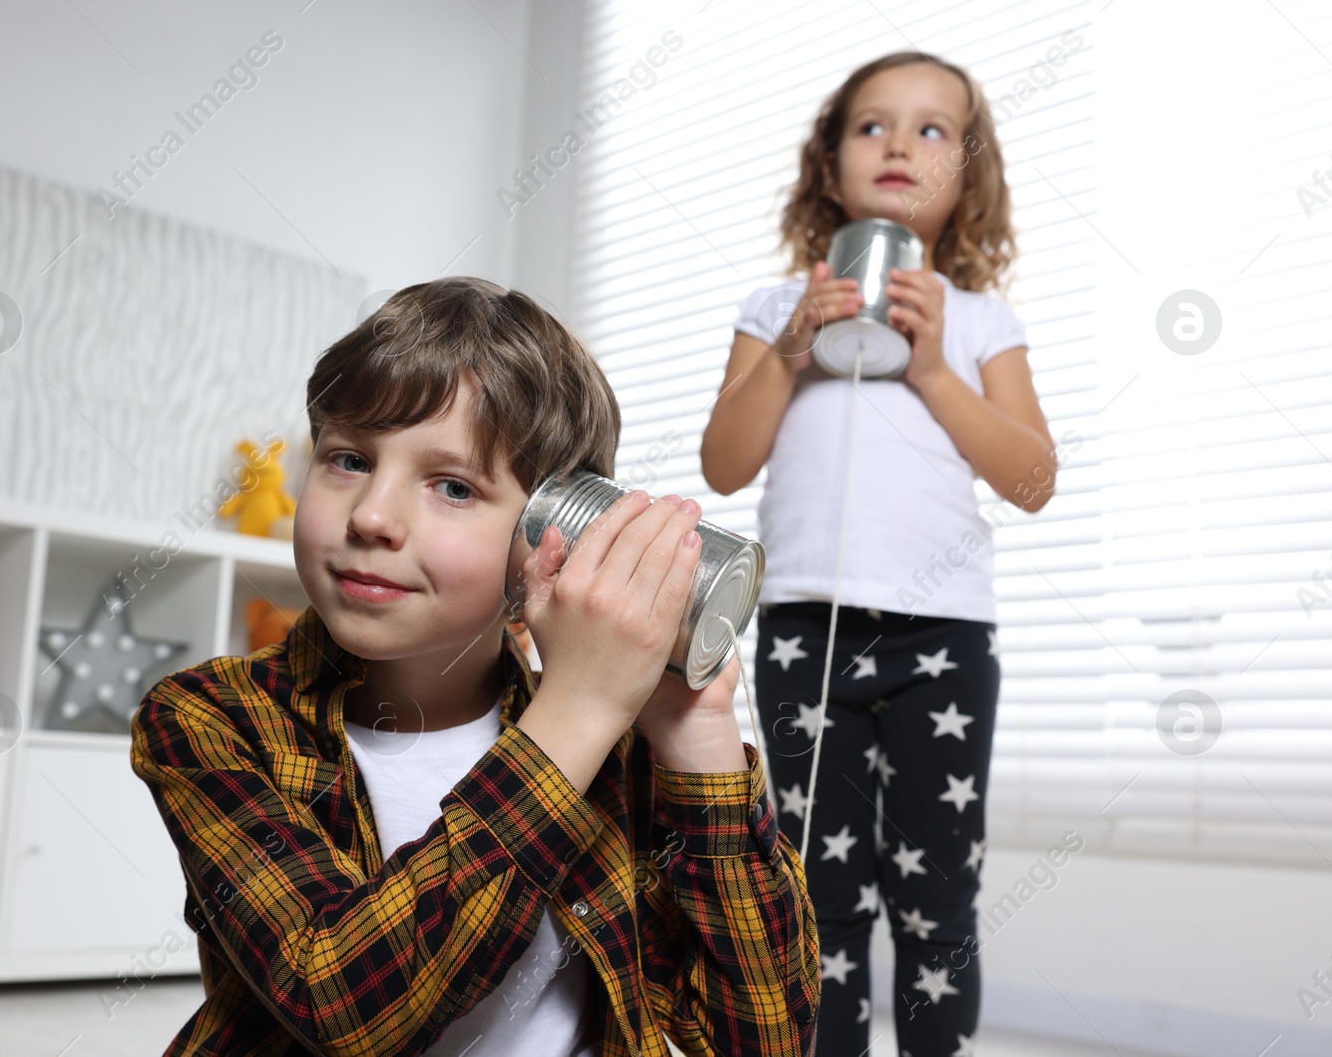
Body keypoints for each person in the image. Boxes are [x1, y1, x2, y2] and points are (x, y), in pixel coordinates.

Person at [131, 277, 820, 1057]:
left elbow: (763, 1041)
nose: (371, 516)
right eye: (350, 459)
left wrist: (698, 744)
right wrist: (581, 710)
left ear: (551, 540)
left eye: (453, 485)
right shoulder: (211, 719)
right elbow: (342, 1004)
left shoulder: (619, 756)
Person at [699, 52, 1057, 1055]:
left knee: (935, 887)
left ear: (966, 179)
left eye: (932, 129)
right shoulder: (775, 310)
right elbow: (724, 466)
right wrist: (788, 354)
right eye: (872, 125)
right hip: (806, 628)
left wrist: (934, 365)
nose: (900, 142)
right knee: (819, 889)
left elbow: (1032, 479)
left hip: (942, 638)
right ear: (827, 166)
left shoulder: (982, 320)